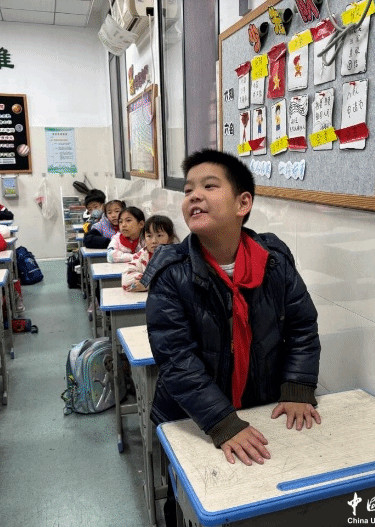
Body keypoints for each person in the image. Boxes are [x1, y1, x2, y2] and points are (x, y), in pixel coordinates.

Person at [141, 149, 321, 467]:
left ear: (243, 203)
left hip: (260, 409)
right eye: (188, 190)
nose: (194, 195)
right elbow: (178, 361)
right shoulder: (171, 273)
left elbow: (302, 327)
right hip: (192, 418)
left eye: (209, 186)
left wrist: (297, 386)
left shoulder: (274, 261)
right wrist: (221, 421)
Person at [122, 215, 177, 292]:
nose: (154, 241)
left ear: (170, 238)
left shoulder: (176, 256)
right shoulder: (141, 256)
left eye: (159, 235)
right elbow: (126, 279)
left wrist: (148, 283)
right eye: (149, 236)